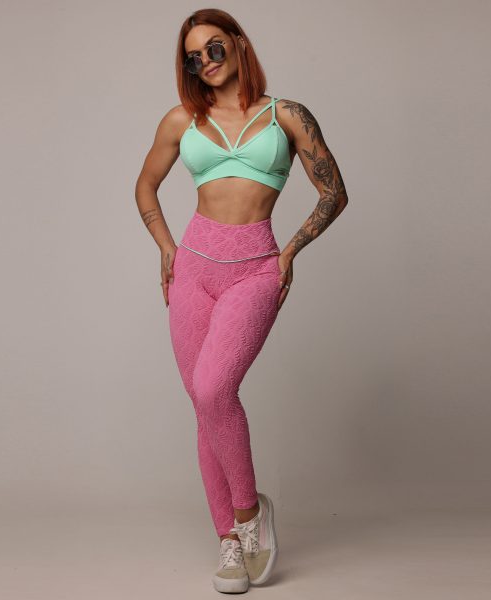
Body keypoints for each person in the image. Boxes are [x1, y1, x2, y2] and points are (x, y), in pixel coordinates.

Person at [135, 8, 348, 594]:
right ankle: (228, 539)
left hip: (255, 268)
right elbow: (145, 185)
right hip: (193, 271)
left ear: (239, 44)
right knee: (204, 406)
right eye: (193, 57)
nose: (205, 61)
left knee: (213, 389)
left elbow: (334, 191)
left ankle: (251, 515)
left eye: (214, 47)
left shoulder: (287, 115)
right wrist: (166, 247)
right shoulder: (182, 119)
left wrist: (291, 250)